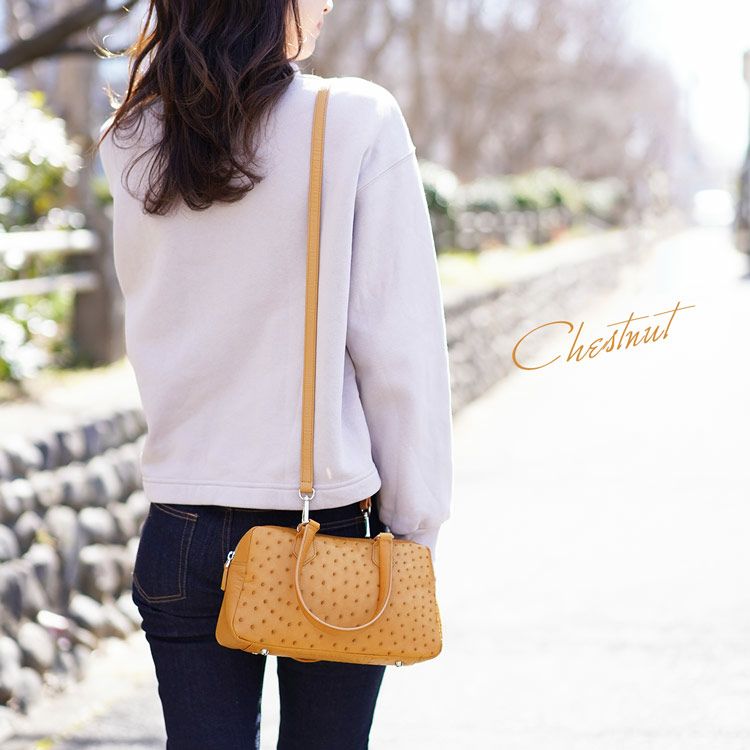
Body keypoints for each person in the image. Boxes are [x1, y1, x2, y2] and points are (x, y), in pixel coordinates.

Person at [95, 1, 453, 748]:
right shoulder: (354, 120)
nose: (327, 4)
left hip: (180, 524)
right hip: (323, 525)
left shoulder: (133, 135)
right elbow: (399, 347)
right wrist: (415, 522)